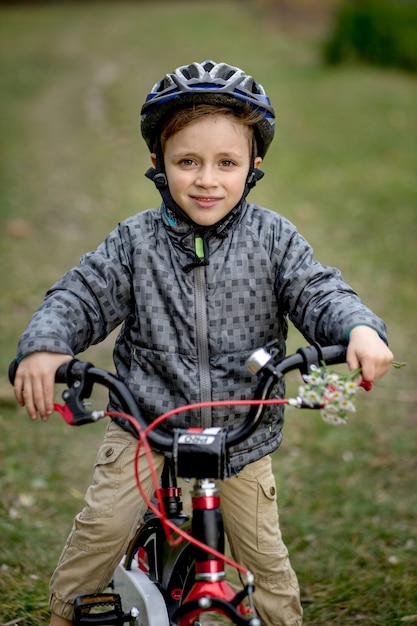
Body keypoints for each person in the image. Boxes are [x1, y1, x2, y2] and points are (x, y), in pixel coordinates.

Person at [12, 60, 393, 626]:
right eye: (188, 161)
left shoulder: (273, 239)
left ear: (253, 167)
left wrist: (357, 328)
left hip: (239, 435)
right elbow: (81, 296)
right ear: (158, 165)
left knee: (264, 560)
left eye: (226, 163)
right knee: (103, 529)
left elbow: (318, 290)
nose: (207, 179)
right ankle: (63, 617)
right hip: (144, 423)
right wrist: (46, 344)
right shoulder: (135, 241)